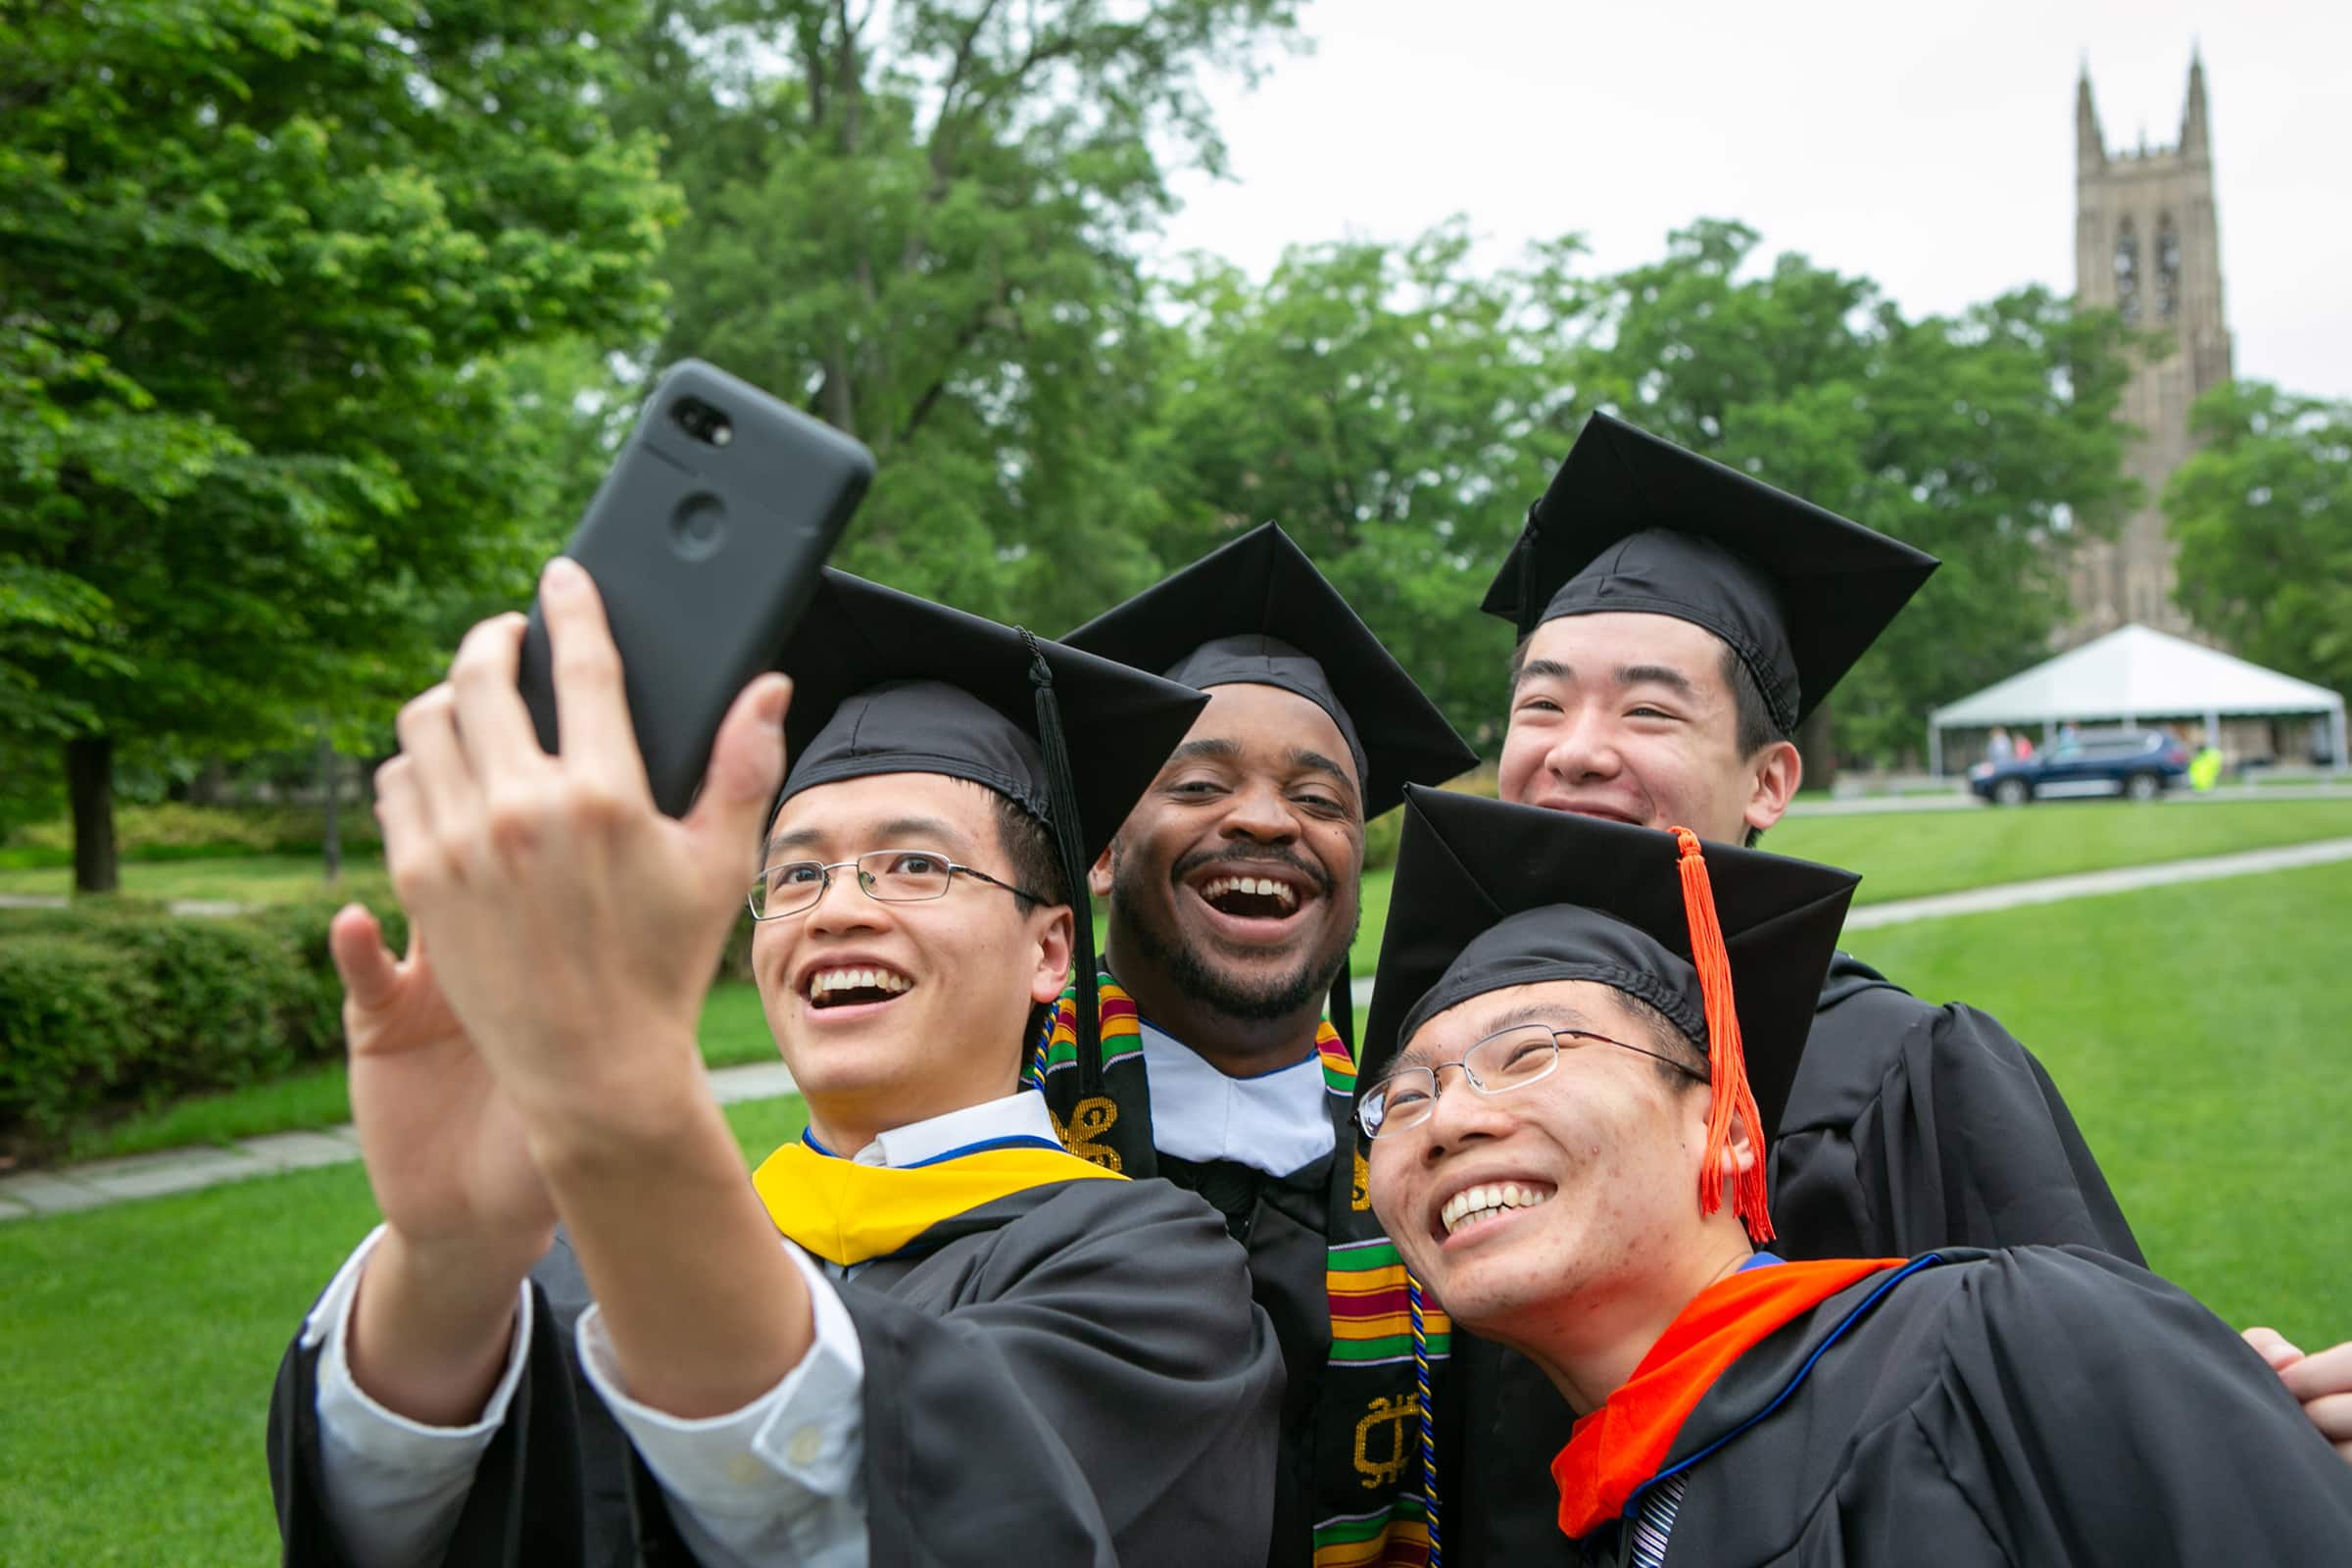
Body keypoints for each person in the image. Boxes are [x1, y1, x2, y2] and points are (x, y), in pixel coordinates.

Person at [1459, 412, 2351, 1557]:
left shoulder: (1899, 1072)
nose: (1576, 748)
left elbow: (2088, 1414)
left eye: (1647, 708)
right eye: (1542, 704)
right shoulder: (1442, 1086)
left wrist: (2233, 1423)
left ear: (1770, 781)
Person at [266, 564, 1284, 1567]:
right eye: (796, 872)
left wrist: (628, 1115)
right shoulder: (585, 1260)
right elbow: (393, 1530)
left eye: (915, 864)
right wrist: (446, 1255)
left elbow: (976, 1515)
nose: (837, 907)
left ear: (1050, 950)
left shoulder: (1160, 1278)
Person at [1357, 785, 2352, 1565]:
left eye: (1530, 1052)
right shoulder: (1621, 1521)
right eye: (1403, 1100)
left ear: (1731, 1128)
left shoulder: (1998, 1341)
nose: (1447, 1120)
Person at [1041, 522, 1480, 1568]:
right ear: (1100, 852)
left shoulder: (1452, 1175)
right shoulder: (991, 1149)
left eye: (1322, 800)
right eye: (1198, 785)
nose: (1269, 822)